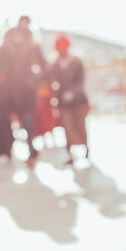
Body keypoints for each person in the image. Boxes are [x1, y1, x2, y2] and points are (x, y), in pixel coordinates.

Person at [0, 15, 43, 166]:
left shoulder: (33, 45)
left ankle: (31, 149)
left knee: (28, 120)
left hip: (26, 90)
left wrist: (36, 79)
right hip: (9, 90)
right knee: (7, 118)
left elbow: (41, 66)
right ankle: (8, 149)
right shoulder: (6, 46)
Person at [49, 34, 90, 166]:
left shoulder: (76, 61)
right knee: (67, 128)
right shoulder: (55, 64)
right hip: (63, 103)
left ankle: (86, 147)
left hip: (79, 102)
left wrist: (72, 92)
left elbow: (80, 81)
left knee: (80, 126)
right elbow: (50, 79)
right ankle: (70, 155)